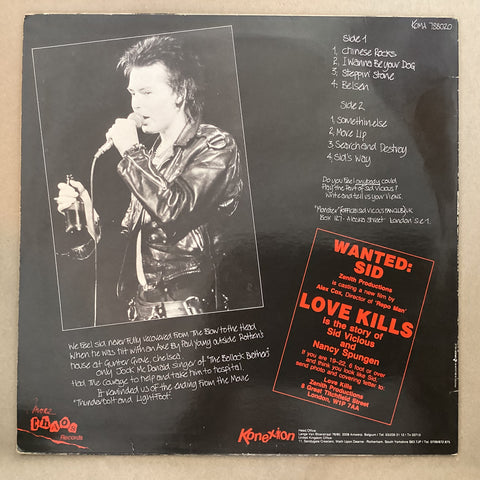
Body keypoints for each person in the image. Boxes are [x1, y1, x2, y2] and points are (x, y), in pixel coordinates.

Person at [56, 35, 244, 322]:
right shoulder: (151, 158)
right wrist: (90, 218)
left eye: (146, 93)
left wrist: (131, 153)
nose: (136, 105)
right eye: (133, 93)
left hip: (190, 316)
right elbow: (135, 249)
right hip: (142, 313)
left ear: (180, 93)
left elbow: (174, 212)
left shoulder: (215, 146)